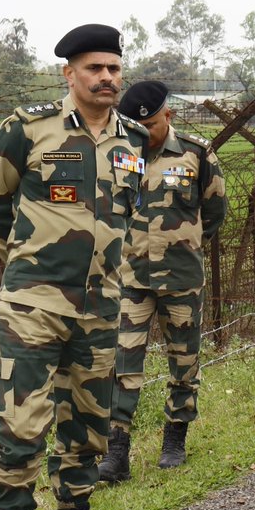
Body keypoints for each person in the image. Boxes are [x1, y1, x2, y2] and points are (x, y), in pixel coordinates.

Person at [0, 24, 146, 510]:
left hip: (101, 308)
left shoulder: (133, 141)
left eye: (114, 68)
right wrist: (32, 270)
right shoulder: (27, 129)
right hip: (34, 307)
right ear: (68, 73)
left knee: (88, 426)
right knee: (21, 428)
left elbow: (126, 218)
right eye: (95, 68)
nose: (107, 78)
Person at [96, 81, 227, 481]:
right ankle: (116, 452)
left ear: (167, 117)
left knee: (184, 362)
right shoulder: (120, 156)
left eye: (149, 125)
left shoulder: (196, 153)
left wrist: (182, 244)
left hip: (181, 278)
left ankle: (175, 438)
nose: (141, 133)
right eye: (133, 126)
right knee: (122, 362)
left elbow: (215, 211)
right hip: (131, 277)